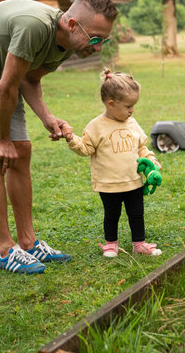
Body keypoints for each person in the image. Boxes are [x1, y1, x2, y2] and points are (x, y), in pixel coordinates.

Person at [0, 0, 118, 274]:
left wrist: (47, 118)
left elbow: (29, 78)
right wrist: (1, 140)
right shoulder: (34, 27)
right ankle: (6, 250)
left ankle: (28, 242)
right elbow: (6, 87)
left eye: (104, 41)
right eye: (95, 39)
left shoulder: (64, 45)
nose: (98, 48)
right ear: (72, 24)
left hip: (1, 75)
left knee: (22, 150)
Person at [63, 68, 162, 258]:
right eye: (128, 106)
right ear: (111, 103)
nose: (132, 110)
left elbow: (141, 147)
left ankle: (139, 244)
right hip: (108, 184)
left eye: (133, 105)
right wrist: (71, 138)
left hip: (133, 181)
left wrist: (151, 160)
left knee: (137, 214)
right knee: (111, 215)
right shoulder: (96, 126)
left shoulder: (132, 123)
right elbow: (85, 148)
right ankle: (111, 244)